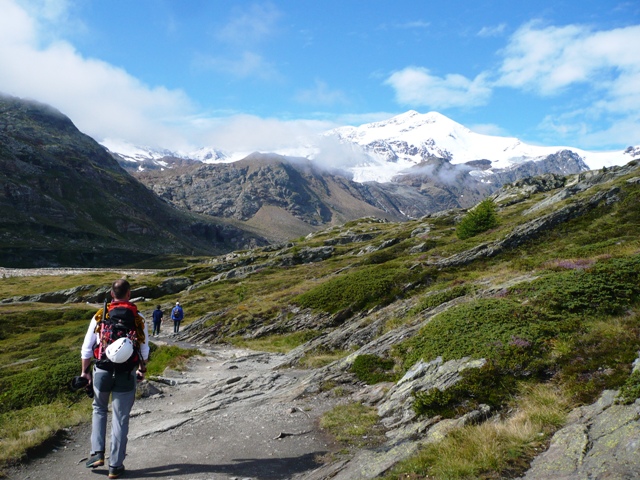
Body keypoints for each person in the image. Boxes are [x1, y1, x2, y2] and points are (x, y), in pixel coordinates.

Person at [80, 279, 149, 479]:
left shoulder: (101, 315)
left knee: (99, 408)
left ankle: (97, 453)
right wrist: (142, 370)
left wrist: (85, 372)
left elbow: (86, 347)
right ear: (129, 294)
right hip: (126, 374)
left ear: (112, 294)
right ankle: (115, 466)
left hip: (101, 370)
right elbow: (144, 350)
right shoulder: (138, 318)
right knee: (121, 418)